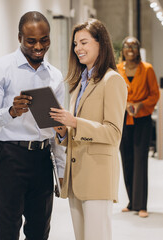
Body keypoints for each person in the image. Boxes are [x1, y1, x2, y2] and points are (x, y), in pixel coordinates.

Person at [0, 11, 66, 240]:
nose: (39, 46)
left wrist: (61, 170)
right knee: (8, 230)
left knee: (40, 230)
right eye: (31, 41)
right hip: (10, 157)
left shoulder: (55, 76)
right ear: (19, 38)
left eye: (44, 39)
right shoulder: (1, 68)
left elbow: (57, 131)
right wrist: (10, 112)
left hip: (42, 158)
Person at [49, 19, 127, 240]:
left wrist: (75, 122)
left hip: (98, 176)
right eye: (75, 44)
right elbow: (77, 130)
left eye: (83, 42)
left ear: (100, 44)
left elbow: (113, 133)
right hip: (77, 177)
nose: (77, 49)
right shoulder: (79, 84)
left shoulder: (112, 81)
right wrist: (63, 131)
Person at [117, 36, 160, 218]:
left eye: (134, 46)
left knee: (140, 159)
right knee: (126, 159)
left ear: (138, 49)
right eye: (127, 46)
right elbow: (113, 94)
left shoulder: (147, 69)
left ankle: (142, 205)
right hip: (123, 119)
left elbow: (154, 94)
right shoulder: (117, 70)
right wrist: (124, 104)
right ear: (123, 50)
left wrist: (141, 104)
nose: (130, 49)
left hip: (142, 119)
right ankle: (131, 202)